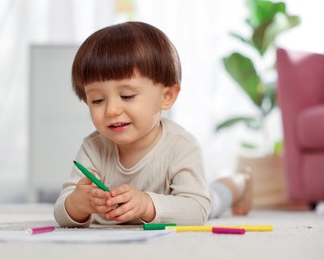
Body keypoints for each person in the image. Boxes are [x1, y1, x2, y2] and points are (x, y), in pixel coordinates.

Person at [54, 21, 252, 228]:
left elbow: (197, 210)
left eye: (127, 96)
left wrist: (147, 205)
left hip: (185, 197)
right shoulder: (93, 147)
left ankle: (242, 181)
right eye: (97, 100)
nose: (111, 110)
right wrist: (77, 204)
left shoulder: (182, 146)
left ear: (166, 96)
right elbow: (61, 210)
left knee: (216, 196)